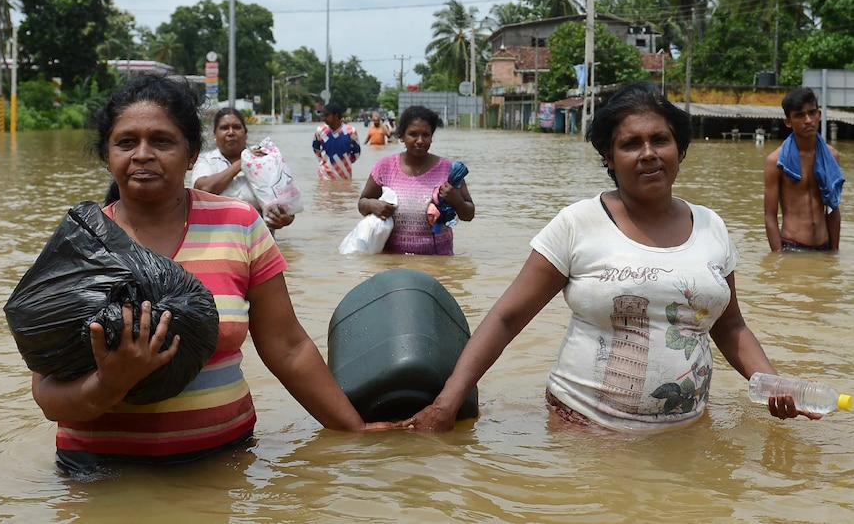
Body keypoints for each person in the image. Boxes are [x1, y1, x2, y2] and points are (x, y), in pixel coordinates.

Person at [32, 75, 399, 474]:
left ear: (191, 155)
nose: (142, 154)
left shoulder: (238, 224)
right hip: (99, 472)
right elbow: (47, 395)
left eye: (161, 141)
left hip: (222, 467)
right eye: (126, 142)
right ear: (107, 155)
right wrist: (110, 383)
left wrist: (356, 431)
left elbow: (288, 348)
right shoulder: (78, 245)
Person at [404, 82, 817, 433]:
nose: (648, 153)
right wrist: (447, 403)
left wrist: (772, 382)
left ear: (680, 149)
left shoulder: (713, 227)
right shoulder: (578, 223)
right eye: (630, 144)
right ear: (608, 157)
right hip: (583, 427)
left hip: (686, 431)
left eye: (660, 140)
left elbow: (730, 326)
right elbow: (507, 317)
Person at [357, 105, 474, 256]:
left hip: (438, 261)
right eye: (413, 134)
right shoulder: (384, 167)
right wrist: (372, 204)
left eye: (426, 135)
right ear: (401, 136)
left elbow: (469, 214)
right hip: (392, 262)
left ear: (432, 136)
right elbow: (362, 203)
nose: (420, 140)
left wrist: (456, 200)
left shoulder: (449, 170)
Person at [764, 87, 844, 252]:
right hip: (791, 246)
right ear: (788, 122)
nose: (808, 120)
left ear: (819, 115)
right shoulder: (776, 161)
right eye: (800, 115)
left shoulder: (831, 156)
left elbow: (833, 207)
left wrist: (834, 252)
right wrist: (778, 258)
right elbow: (770, 216)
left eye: (812, 113)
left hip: (824, 245)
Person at [192, 107, 295, 231]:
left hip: (260, 240)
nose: (231, 132)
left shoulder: (264, 159)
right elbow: (203, 190)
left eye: (236, 127)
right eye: (224, 128)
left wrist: (285, 219)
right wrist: (243, 162)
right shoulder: (206, 161)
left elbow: (287, 205)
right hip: (217, 239)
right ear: (215, 135)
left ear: (245, 134)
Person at [312, 102, 361, 180]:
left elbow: (356, 152)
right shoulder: (320, 130)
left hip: (344, 174)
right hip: (325, 175)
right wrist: (323, 160)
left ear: (336, 116)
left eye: (327, 115)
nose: (324, 118)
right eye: (323, 115)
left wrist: (346, 161)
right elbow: (315, 148)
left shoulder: (350, 131)